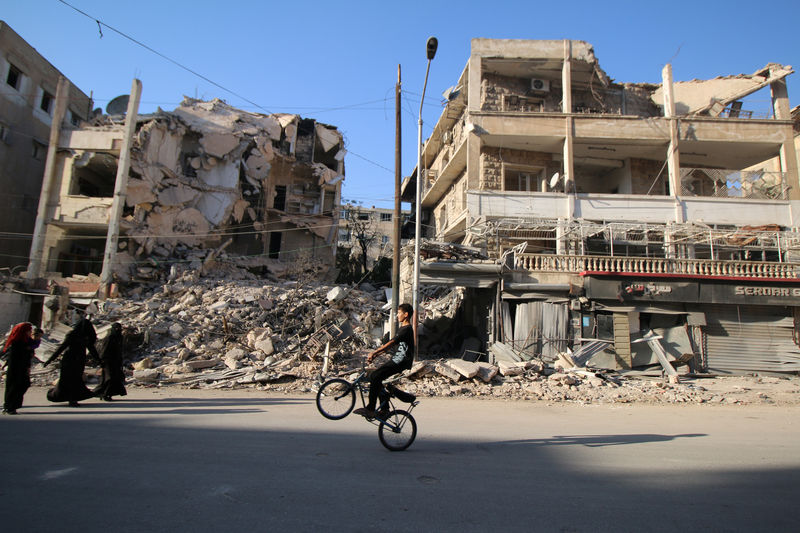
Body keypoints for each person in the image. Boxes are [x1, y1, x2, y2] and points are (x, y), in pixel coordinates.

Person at [353, 303, 415, 419]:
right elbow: (390, 347)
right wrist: (376, 355)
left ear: (406, 315)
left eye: (399, 313)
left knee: (375, 376)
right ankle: (385, 408)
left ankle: (371, 409)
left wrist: (374, 353)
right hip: (397, 359)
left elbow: (390, 344)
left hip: (402, 361)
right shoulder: (403, 328)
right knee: (376, 377)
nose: (397, 316)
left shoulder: (406, 330)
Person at [43, 317, 100, 407]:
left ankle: (72, 398)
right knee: (70, 380)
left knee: (74, 380)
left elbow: (92, 349)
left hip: (74, 360)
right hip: (72, 361)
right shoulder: (76, 335)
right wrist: (50, 360)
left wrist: (99, 360)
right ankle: (69, 398)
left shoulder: (82, 336)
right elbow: (62, 347)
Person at [2, 322, 34, 415]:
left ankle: (11, 405)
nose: (30, 332)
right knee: (14, 387)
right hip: (16, 369)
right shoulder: (17, 343)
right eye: (29, 330)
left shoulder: (25, 341)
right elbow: (17, 357)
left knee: (23, 385)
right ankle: (9, 406)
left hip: (22, 368)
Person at [93, 323, 127, 401]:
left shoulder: (119, 337)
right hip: (108, 361)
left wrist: (120, 360)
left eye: (119, 328)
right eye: (116, 328)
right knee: (109, 378)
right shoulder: (109, 338)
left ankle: (108, 394)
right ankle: (103, 394)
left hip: (116, 361)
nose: (118, 330)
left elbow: (119, 350)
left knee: (115, 378)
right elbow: (104, 350)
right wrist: (101, 361)